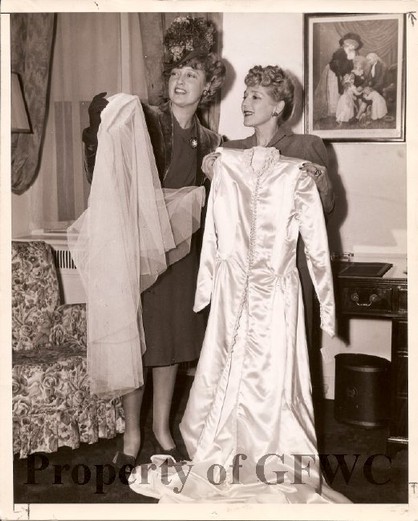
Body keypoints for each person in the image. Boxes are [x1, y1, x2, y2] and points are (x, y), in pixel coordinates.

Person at [129, 65, 349, 503]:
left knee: (280, 371)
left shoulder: (307, 146)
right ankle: (232, 450)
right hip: (237, 282)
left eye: (254, 97)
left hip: (284, 278)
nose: (245, 104)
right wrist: (211, 173)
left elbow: (327, 209)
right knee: (230, 365)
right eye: (245, 95)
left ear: (278, 105)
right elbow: (214, 213)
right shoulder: (230, 148)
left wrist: (319, 181)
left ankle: (278, 456)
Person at [81, 16, 226, 468]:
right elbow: (100, 140)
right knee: (136, 344)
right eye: (176, 73)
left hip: (183, 260)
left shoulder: (211, 141)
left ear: (208, 86)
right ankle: (131, 434)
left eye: (192, 74)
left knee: (170, 347)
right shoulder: (145, 121)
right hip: (139, 254)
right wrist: (107, 110)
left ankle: (163, 428)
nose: (181, 81)